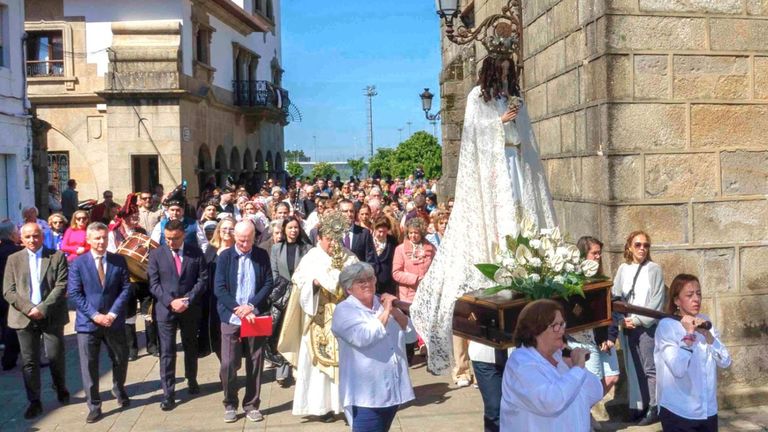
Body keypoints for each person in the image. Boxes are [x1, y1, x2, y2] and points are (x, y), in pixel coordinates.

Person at [411, 50, 557, 374]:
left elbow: (526, 139)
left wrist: (517, 118)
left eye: (509, 71)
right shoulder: (478, 97)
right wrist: (500, 122)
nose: (505, 77)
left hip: (516, 164)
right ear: (491, 72)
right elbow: (473, 135)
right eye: (501, 71)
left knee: (521, 216)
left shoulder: (515, 96)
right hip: (494, 168)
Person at [277, 211, 359, 422]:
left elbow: (359, 281)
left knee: (347, 364)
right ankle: (322, 407)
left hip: (345, 320)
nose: (333, 243)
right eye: (329, 239)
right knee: (319, 367)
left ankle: (347, 404)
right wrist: (313, 284)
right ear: (319, 238)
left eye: (336, 238)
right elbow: (299, 282)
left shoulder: (349, 257)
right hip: (318, 320)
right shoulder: (312, 258)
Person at [331, 262, 415, 431]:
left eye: (370, 278)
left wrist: (395, 311)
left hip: (392, 390)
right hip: (366, 396)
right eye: (360, 281)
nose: (367, 283)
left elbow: (410, 335)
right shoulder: (343, 311)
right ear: (349, 288)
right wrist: (385, 312)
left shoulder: (383, 304)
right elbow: (364, 337)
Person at [501, 299, 602, 431]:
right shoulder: (520, 363)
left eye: (562, 324)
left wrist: (574, 366)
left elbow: (595, 392)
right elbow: (550, 402)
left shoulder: (559, 357)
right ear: (536, 330)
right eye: (555, 325)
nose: (561, 331)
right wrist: (577, 370)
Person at [2, 223, 70, 419]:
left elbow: (61, 284)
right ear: (21, 239)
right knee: (29, 362)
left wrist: (42, 308)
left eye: (36, 236)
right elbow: (8, 290)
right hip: (24, 317)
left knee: (56, 356)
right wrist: (29, 308)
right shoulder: (13, 259)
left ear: (42, 236)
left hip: (51, 315)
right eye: (28, 236)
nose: (32, 240)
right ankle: (34, 401)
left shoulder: (56, 256)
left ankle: (60, 387)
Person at [67, 222, 133, 423]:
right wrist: (95, 315)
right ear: (88, 240)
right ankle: (94, 405)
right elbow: (75, 294)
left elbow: (125, 289)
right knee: (89, 365)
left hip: (114, 321)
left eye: (104, 238)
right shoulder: (78, 263)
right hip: (88, 324)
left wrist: (112, 314)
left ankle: (119, 389)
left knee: (120, 358)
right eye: (96, 238)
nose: (101, 242)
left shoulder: (118, 261)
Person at [214, 221, 274, 423]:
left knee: (255, 361)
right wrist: (237, 309)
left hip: (254, 315)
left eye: (248, 240)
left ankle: (251, 404)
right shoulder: (225, 257)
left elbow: (268, 283)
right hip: (231, 316)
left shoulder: (261, 255)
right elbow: (219, 288)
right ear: (234, 237)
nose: (244, 244)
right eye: (241, 240)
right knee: (228, 364)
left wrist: (251, 306)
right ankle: (230, 402)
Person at [655, 274, 730, 431]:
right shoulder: (667, 327)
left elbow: (725, 361)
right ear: (676, 300)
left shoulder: (705, 321)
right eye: (689, 295)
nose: (696, 299)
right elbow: (678, 369)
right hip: (679, 411)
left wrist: (708, 336)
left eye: (699, 293)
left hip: (708, 410)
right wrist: (689, 335)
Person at [148, 219, 209, 411]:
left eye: (174, 239)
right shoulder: (157, 254)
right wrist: (170, 301)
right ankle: (168, 393)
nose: (171, 242)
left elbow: (203, 279)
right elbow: (154, 283)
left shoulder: (195, 252)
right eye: (167, 239)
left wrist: (188, 299)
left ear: (183, 235)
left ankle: (192, 379)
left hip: (189, 309)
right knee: (167, 351)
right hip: (166, 310)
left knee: (190, 346)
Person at [612, 230, 666, 425]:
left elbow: (656, 302)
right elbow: (615, 297)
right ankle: (638, 405)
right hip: (626, 326)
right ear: (629, 247)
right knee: (633, 368)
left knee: (650, 367)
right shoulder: (622, 269)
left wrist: (636, 320)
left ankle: (655, 407)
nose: (642, 248)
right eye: (638, 245)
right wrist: (620, 320)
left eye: (646, 245)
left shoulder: (654, 269)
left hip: (645, 326)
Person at [569, 236, 621, 424]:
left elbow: (612, 310)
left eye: (600, 253)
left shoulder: (602, 279)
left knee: (612, 376)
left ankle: (583, 409)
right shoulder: (572, 282)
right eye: (594, 253)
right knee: (593, 382)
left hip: (604, 337)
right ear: (583, 255)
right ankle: (583, 415)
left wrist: (610, 336)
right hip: (584, 339)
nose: (598, 257)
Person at [268, 215, 312, 387]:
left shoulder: (307, 248)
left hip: (301, 295)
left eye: (296, 228)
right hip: (283, 296)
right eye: (290, 228)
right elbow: (274, 273)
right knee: (282, 332)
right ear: (284, 230)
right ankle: (282, 367)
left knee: (300, 332)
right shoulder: (276, 249)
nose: (293, 231)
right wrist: (285, 289)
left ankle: (299, 368)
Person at [392, 218, 436, 359]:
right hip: (408, 293)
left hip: (427, 292)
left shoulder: (430, 248)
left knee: (426, 322)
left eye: (416, 233)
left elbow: (437, 269)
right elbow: (396, 273)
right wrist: (415, 279)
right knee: (410, 325)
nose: (413, 236)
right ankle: (409, 354)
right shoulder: (400, 250)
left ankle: (427, 348)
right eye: (410, 233)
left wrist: (429, 279)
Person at [200, 217, 236, 359]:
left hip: (233, 298)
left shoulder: (239, 248)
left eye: (231, 228)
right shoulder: (211, 248)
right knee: (217, 334)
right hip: (213, 299)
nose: (227, 231)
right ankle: (225, 367)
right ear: (219, 231)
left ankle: (231, 364)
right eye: (224, 228)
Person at [150, 182, 208, 252]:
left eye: (178, 210)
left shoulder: (194, 224)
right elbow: (153, 245)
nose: (175, 213)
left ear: (183, 211)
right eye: (172, 210)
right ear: (167, 211)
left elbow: (204, 244)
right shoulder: (160, 225)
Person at [0, 221, 22, 371]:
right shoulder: (16, 252)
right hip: (12, 293)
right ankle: (10, 359)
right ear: (12, 234)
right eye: (17, 232)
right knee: (14, 327)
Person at [338, 199, 376, 265]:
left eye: (351, 211)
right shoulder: (333, 233)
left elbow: (371, 259)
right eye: (345, 211)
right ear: (338, 213)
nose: (349, 214)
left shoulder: (364, 233)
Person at [370, 216, 397, 296]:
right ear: (374, 229)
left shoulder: (392, 241)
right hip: (371, 281)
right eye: (379, 231)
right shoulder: (368, 240)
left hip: (387, 284)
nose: (382, 234)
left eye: (384, 232)